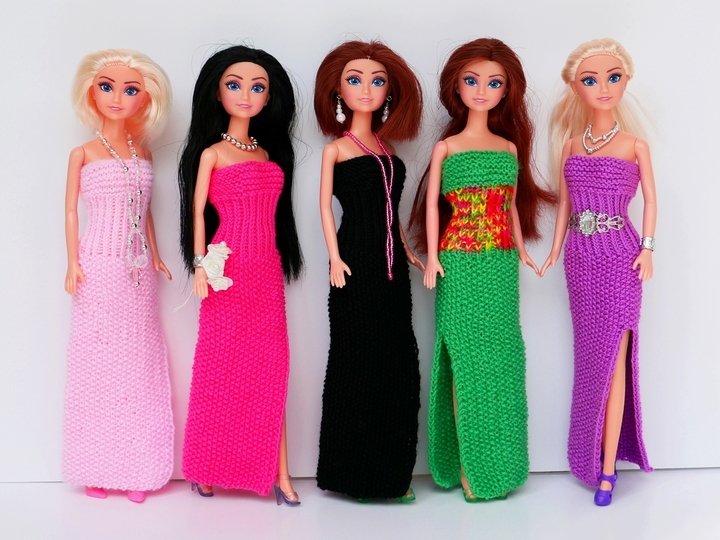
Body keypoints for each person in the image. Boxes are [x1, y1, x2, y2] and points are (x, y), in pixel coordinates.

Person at [410, 38, 553, 502]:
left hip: (500, 263)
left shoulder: (508, 148)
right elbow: (433, 205)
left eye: (493, 83)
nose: (481, 90)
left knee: (502, 361)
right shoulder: (447, 148)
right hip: (457, 261)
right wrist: (434, 256)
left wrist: (522, 249)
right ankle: (469, 468)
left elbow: (509, 206)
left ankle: (499, 464)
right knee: (462, 358)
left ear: (506, 91)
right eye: (471, 80)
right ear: (456, 86)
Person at [178, 45, 303, 505]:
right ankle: (206, 466)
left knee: (272, 371)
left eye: (257, 87)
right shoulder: (212, 153)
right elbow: (197, 212)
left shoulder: (267, 153)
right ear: (217, 93)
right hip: (225, 272)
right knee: (219, 370)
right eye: (235, 85)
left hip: (265, 272)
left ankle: (280, 474)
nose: (246, 95)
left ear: (269, 97)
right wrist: (199, 266)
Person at [540, 38, 656, 506]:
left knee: (617, 357)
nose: (603, 87)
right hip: (580, 260)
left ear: (626, 81)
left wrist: (648, 249)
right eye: (590, 79)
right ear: (576, 88)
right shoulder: (571, 145)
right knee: (590, 358)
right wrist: (554, 250)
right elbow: (566, 207)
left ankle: (608, 469)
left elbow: (652, 202)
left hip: (623, 257)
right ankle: (589, 455)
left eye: (613, 77)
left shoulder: (635, 145)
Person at [63, 48, 174, 504]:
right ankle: (96, 466)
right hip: (96, 268)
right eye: (107, 87)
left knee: (137, 367)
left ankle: (137, 468)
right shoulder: (83, 153)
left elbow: (144, 213)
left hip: (137, 271)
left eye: (130, 90)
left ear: (145, 99)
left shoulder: (143, 152)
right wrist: (72, 262)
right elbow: (71, 212)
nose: (116, 98)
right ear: (91, 92)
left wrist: (158, 255)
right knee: (96, 367)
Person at [314, 40, 423, 501]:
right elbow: (325, 207)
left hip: (393, 269)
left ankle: (390, 475)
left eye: (377, 81)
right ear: (337, 91)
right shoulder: (337, 150)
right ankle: (353, 475)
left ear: (389, 93)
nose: (366, 89)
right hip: (354, 263)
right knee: (355, 361)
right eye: (355, 80)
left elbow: (391, 211)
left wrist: (407, 248)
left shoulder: (388, 148)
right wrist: (335, 256)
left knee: (397, 363)